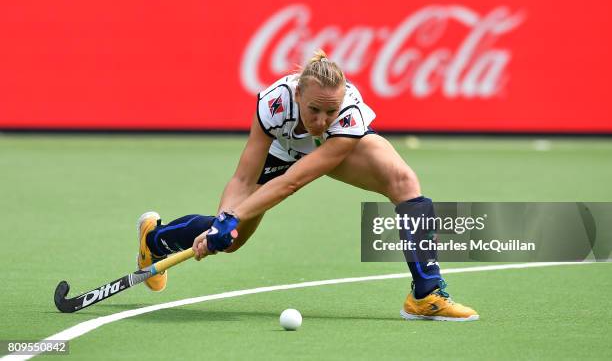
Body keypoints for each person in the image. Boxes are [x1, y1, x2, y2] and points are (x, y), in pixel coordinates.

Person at [137, 50, 478, 321]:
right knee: (228, 239)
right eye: (314, 110)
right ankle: (154, 238)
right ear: (298, 93)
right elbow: (243, 177)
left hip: (327, 151)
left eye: (330, 112)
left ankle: (426, 294)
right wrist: (226, 220)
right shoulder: (274, 103)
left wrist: (234, 215)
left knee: (404, 181)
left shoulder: (347, 117)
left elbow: (294, 180)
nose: (321, 120)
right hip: (279, 151)